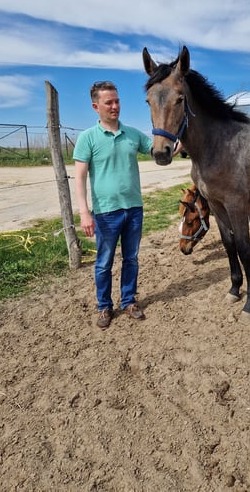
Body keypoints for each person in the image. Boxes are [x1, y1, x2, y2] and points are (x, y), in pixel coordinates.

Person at [73, 81, 154, 330]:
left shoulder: (133, 134)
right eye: (109, 102)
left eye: (117, 101)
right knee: (104, 262)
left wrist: (181, 141)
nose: (115, 106)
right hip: (106, 213)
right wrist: (85, 212)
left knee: (131, 258)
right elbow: (80, 177)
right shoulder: (88, 138)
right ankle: (105, 307)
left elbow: (158, 152)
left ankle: (128, 301)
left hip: (134, 209)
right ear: (96, 106)